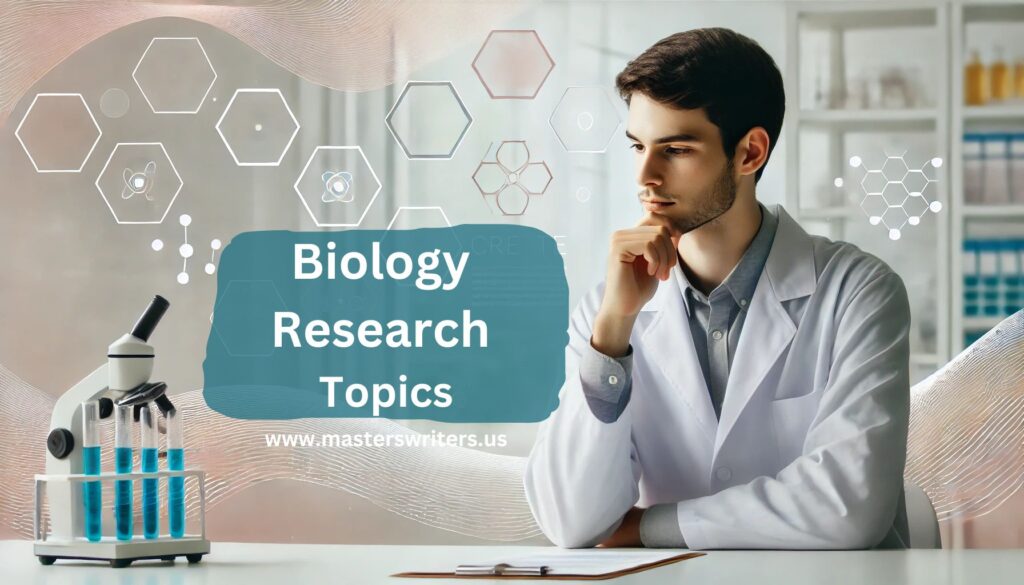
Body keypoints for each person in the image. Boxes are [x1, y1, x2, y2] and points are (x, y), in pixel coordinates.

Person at [523, 27, 911, 550]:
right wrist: (613, 333)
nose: (645, 176)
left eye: (676, 149)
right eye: (638, 145)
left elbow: (847, 507)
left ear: (749, 153)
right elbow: (570, 522)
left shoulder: (858, 292)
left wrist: (649, 527)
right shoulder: (608, 309)